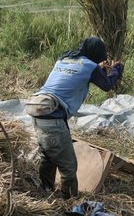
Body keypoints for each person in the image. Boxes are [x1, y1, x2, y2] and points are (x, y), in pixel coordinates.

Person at [28, 36, 124, 198]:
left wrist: (97, 67)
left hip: (36, 108)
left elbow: (77, 70)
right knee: (69, 166)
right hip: (53, 115)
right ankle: (70, 202)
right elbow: (107, 85)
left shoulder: (64, 59)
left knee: (48, 156)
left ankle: (45, 192)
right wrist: (117, 69)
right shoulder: (91, 67)